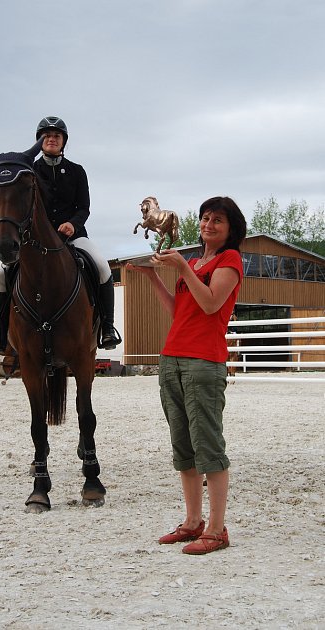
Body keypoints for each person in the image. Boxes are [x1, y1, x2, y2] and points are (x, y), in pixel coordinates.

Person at [127, 196, 246, 555]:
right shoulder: (195, 261)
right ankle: (193, 522)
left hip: (203, 361)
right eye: (206, 218)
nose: (209, 224)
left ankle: (217, 528)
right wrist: (152, 277)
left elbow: (211, 303)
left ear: (231, 229)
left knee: (208, 443)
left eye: (218, 220)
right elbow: (179, 311)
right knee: (184, 446)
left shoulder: (230, 260)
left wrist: (182, 269)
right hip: (173, 358)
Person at [0, 116, 121, 352]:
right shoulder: (29, 171)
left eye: (56, 136)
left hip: (73, 235)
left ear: (63, 142)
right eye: (46, 135)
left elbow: (84, 207)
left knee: (102, 267)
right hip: (36, 240)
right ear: (39, 141)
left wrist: (72, 223)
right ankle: (0, 332)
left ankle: (107, 328)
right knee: (0, 274)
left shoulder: (77, 171)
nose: (51, 139)